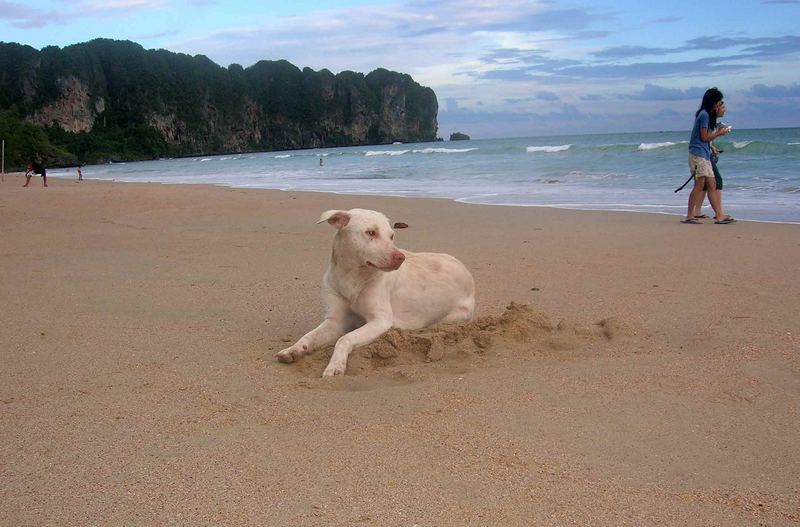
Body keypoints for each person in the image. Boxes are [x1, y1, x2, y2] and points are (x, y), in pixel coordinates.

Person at [682, 88, 734, 224]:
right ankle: (689, 215)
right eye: (718, 102)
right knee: (700, 185)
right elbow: (704, 137)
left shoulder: (706, 115)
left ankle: (719, 215)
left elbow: (702, 138)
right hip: (698, 154)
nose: (719, 105)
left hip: (703, 154)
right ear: (713, 102)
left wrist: (711, 145)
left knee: (712, 183)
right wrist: (719, 133)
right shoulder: (704, 115)